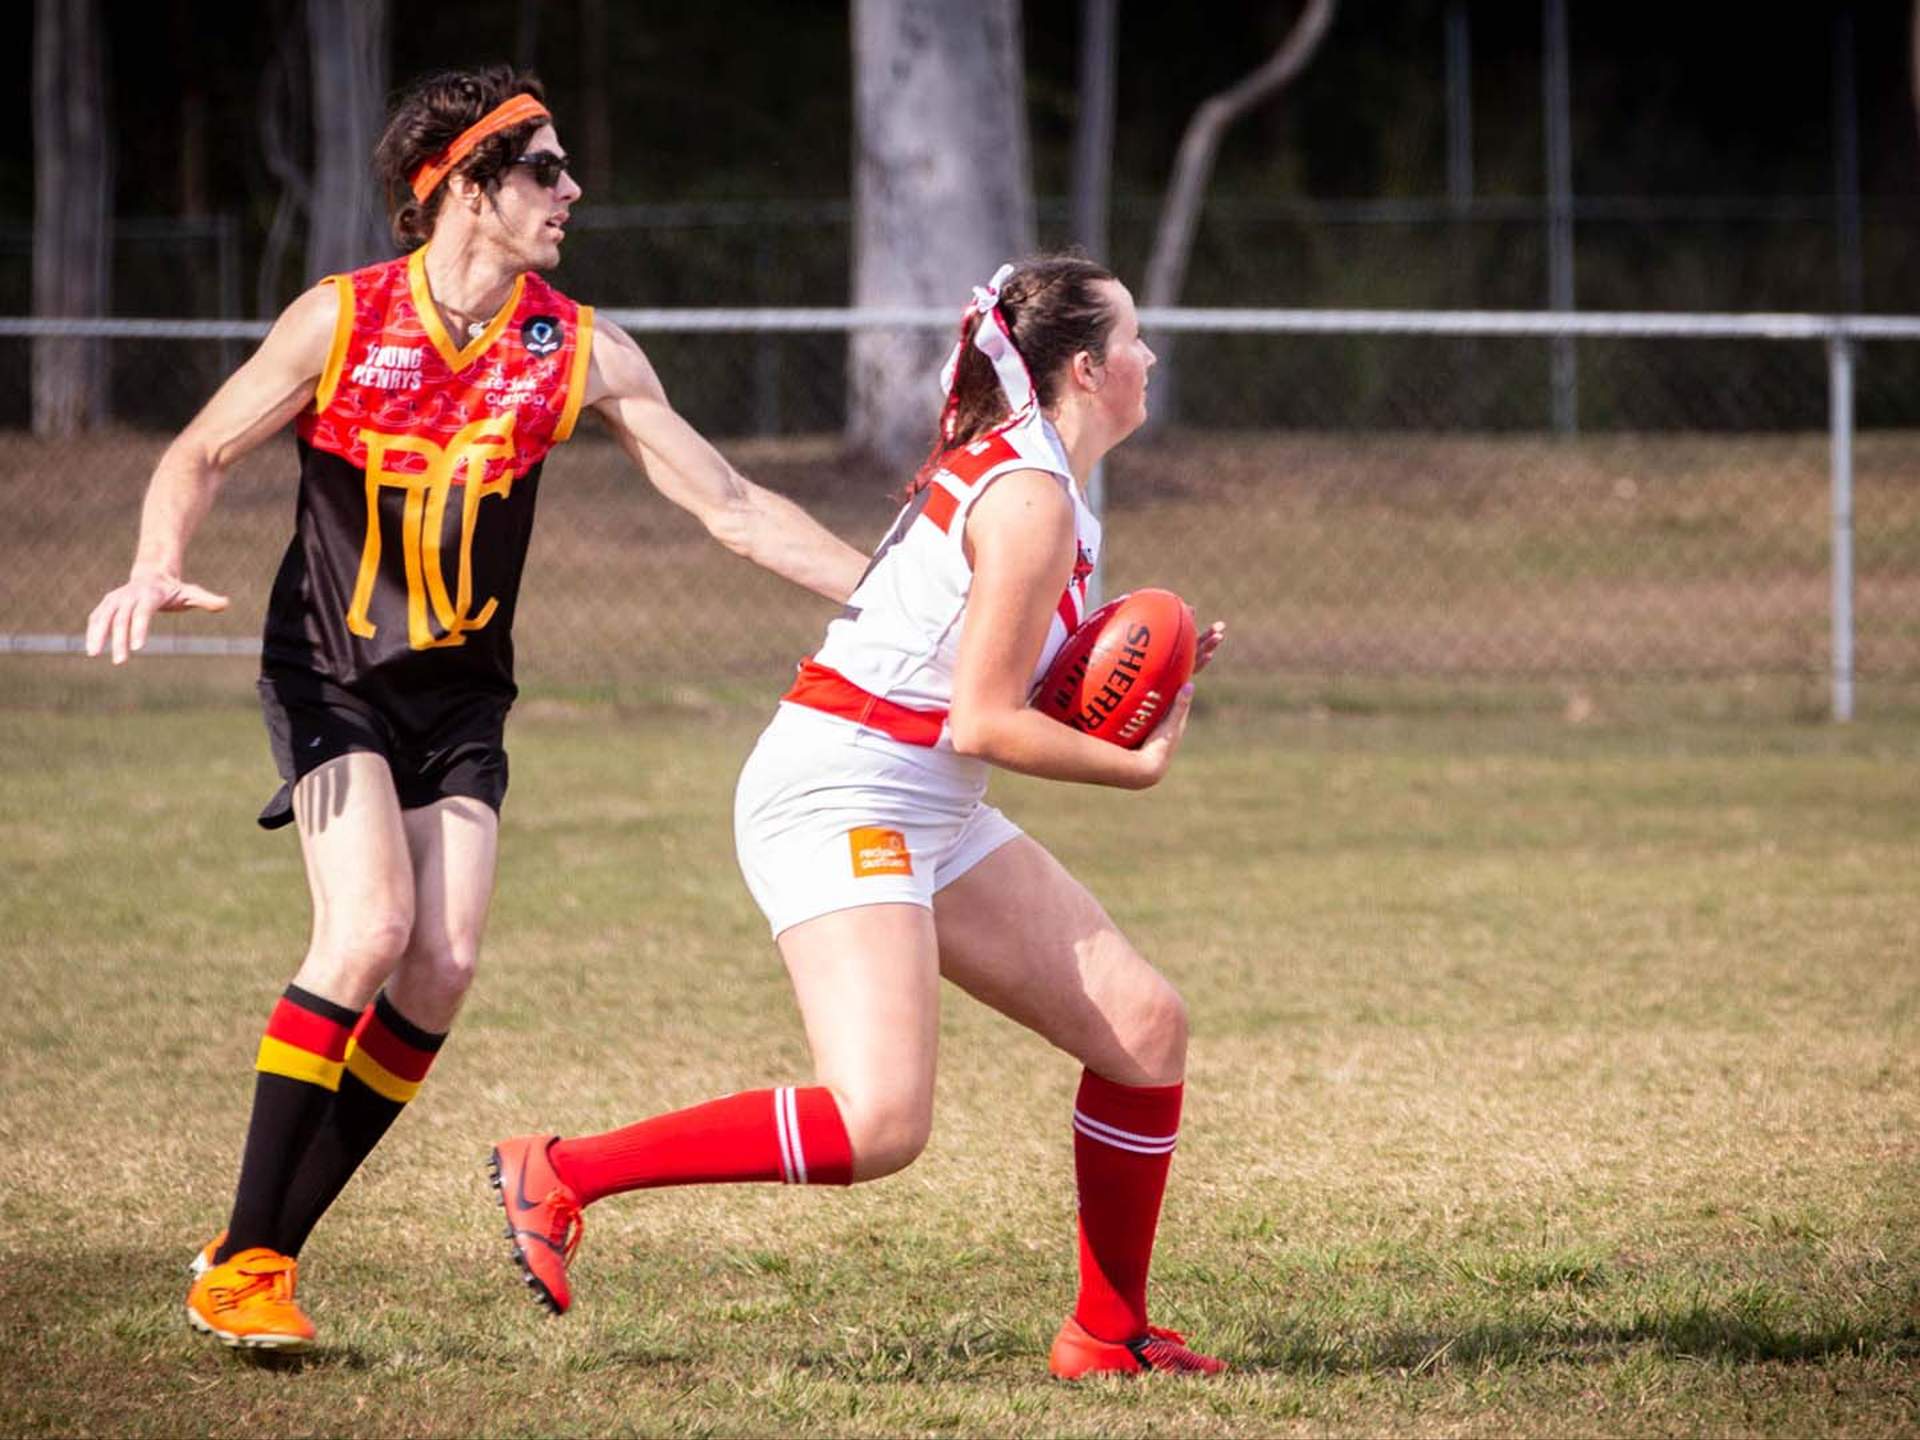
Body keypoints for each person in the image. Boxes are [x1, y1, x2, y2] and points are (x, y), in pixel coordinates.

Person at [82, 65, 868, 1354]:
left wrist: (900, 599)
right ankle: (251, 1263)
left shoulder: (578, 347)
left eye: (566, 167)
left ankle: (250, 1253)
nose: (573, 190)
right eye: (544, 170)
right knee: (371, 926)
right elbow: (200, 451)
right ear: (463, 188)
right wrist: (157, 558)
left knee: (439, 969)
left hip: (459, 696)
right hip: (329, 671)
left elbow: (729, 504)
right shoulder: (339, 322)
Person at [490, 254, 1230, 1379]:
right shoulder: (1030, 496)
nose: (1150, 357)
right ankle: (563, 1169)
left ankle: (1107, 1333)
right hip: (842, 789)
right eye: (1135, 340)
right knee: (880, 1123)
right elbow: (982, 720)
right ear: (1086, 369)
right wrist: (1130, 765)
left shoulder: (1046, 479)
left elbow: (971, 693)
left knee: (1141, 1028)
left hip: (920, 790)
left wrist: (1106, 683)